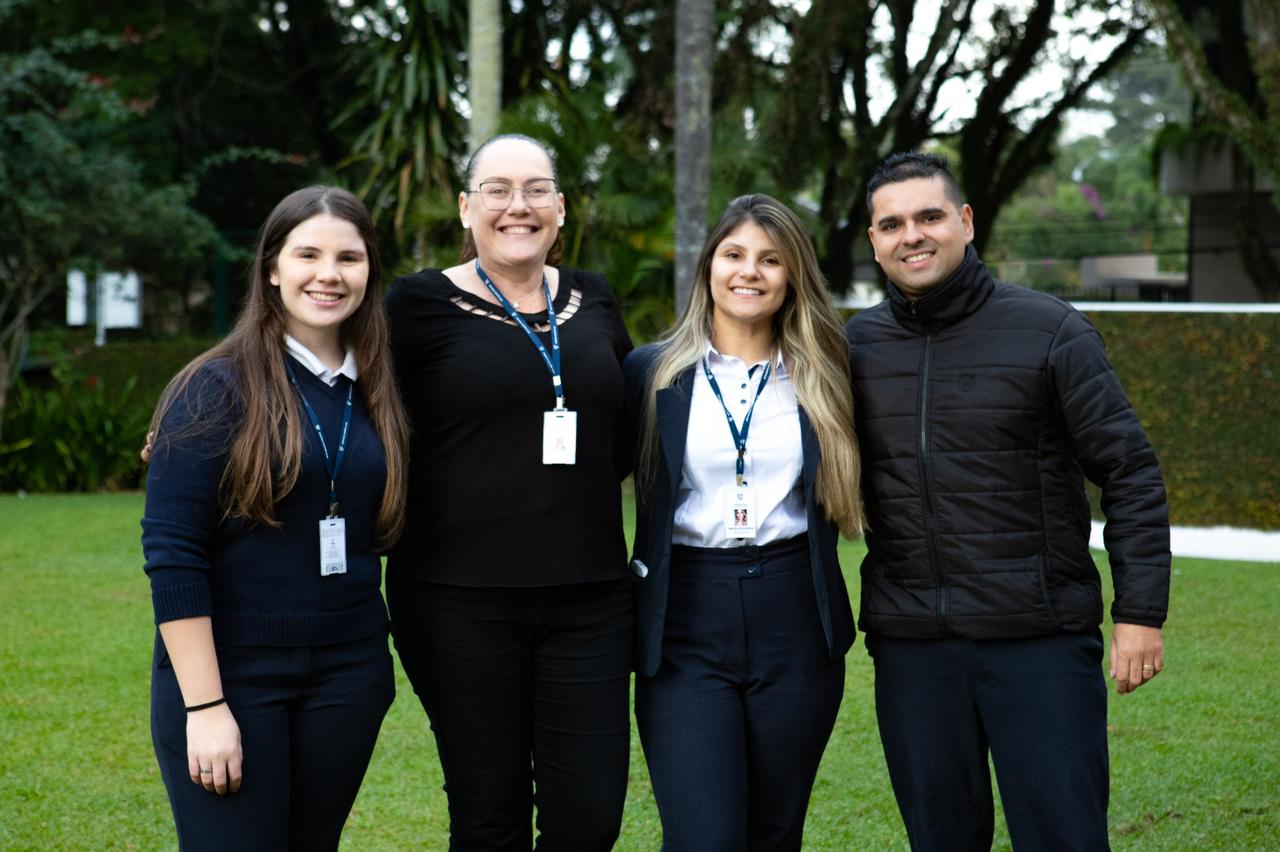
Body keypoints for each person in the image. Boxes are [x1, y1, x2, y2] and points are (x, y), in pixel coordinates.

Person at [847, 151, 1171, 850]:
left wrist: (1139, 613)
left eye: (929, 216)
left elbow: (1131, 474)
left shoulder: (1052, 330)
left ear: (965, 222)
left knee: (1063, 837)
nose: (913, 235)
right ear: (873, 240)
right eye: (892, 223)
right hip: (913, 650)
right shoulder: (854, 346)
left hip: (1040, 643)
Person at [384, 133, 634, 850]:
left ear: (560, 207)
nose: (516, 205)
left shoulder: (596, 298)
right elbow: (345, 397)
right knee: (488, 814)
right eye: (496, 189)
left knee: (588, 818)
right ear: (467, 208)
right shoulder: (418, 304)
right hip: (456, 602)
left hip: (590, 598)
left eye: (535, 189)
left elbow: (624, 421)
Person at [141, 186, 409, 850]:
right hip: (234, 677)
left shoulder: (378, 390)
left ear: (370, 271)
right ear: (271, 268)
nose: (328, 274)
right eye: (308, 254)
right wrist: (204, 708)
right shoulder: (214, 387)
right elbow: (174, 552)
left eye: (348, 257)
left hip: (348, 676)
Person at [625, 194, 865, 851]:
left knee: (774, 832)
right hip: (684, 620)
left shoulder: (826, 374)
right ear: (708, 268)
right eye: (733, 255)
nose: (749, 272)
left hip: (795, 616)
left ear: (793, 276)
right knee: (703, 836)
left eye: (770, 260)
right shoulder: (652, 374)